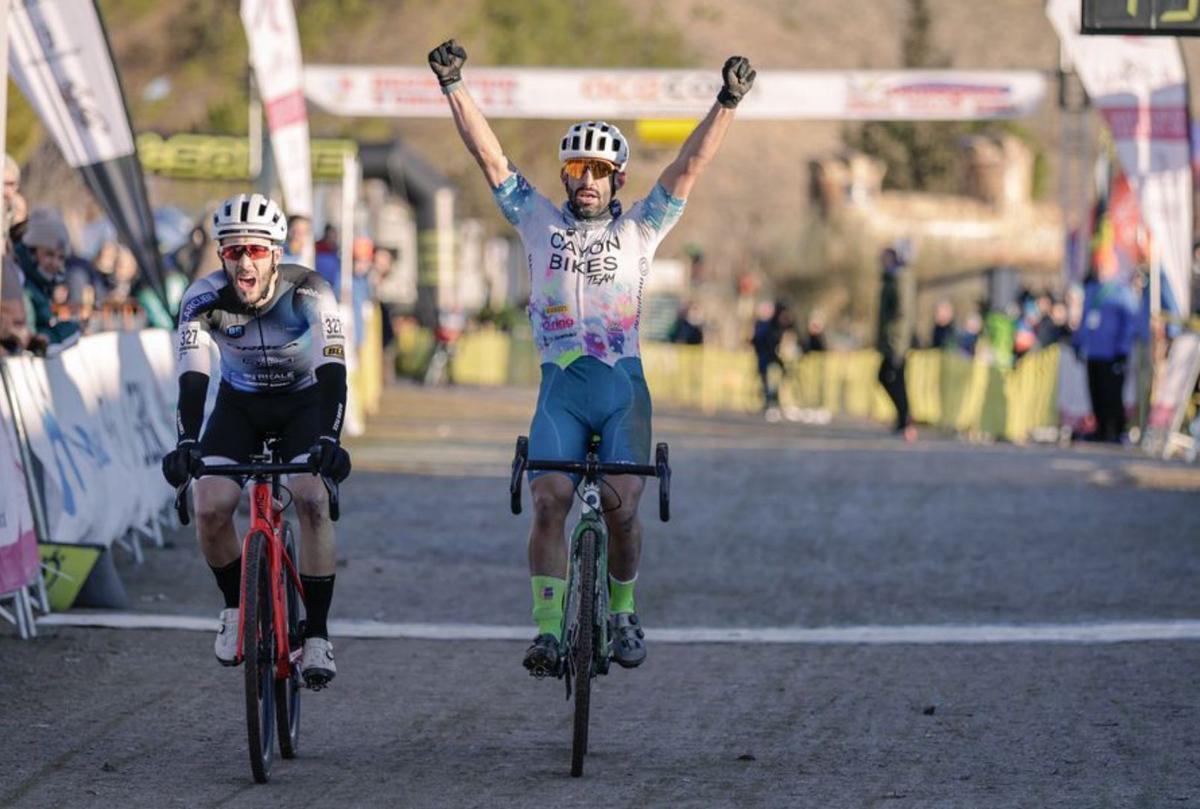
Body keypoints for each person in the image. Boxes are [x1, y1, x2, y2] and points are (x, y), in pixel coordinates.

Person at [430, 38, 755, 675]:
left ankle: (623, 607)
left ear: (618, 179)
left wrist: (727, 102)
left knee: (621, 505)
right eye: (577, 169)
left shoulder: (641, 227)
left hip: (621, 387)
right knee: (550, 498)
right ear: (564, 176)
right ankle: (549, 630)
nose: (587, 180)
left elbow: (688, 167)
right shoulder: (535, 219)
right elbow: (488, 155)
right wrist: (453, 87)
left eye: (600, 171)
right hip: (560, 387)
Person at [160, 193, 352, 687]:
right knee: (210, 507)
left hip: (304, 404)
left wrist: (330, 437)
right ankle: (233, 606)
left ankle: (317, 635)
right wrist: (186, 443)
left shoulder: (310, 290)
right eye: (233, 251)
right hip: (239, 405)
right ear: (222, 254)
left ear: (276, 252)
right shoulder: (203, 298)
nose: (244, 262)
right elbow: (192, 378)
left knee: (310, 499)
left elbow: (333, 371)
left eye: (257, 251)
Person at [1071, 264, 1136, 443]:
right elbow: (1085, 319)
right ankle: (1100, 428)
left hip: (1112, 352)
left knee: (1112, 392)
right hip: (1093, 351)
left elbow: (1129, 323)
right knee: (1095, 391)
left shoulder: (1122, 292)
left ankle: (1116, 429)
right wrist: (1077, 342)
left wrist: (1122, 349)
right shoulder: (1092, 291)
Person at [18, 208, 79, 346]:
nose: (55, 263)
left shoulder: (42, 286)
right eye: (49, 254)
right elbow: (32, 337)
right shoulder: (23, 286)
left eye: (61, 257)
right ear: (32, 252)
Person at [876, 245, 916, 441]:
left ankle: (906, 419)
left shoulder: (901, 280)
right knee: (890, 378)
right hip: (890, 341)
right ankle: (903, 419)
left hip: (896, 342)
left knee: (893, 379)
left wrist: (895, 341)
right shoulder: (891, 279)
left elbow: (902, 314)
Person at [751, 300, 790, 421]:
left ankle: (773, 402)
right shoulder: (762, 325)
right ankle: (768, 402)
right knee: (766, 382)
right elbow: (758, 341)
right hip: (765, 358)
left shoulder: (775, 324)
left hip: (772, 358)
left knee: (773, 382)